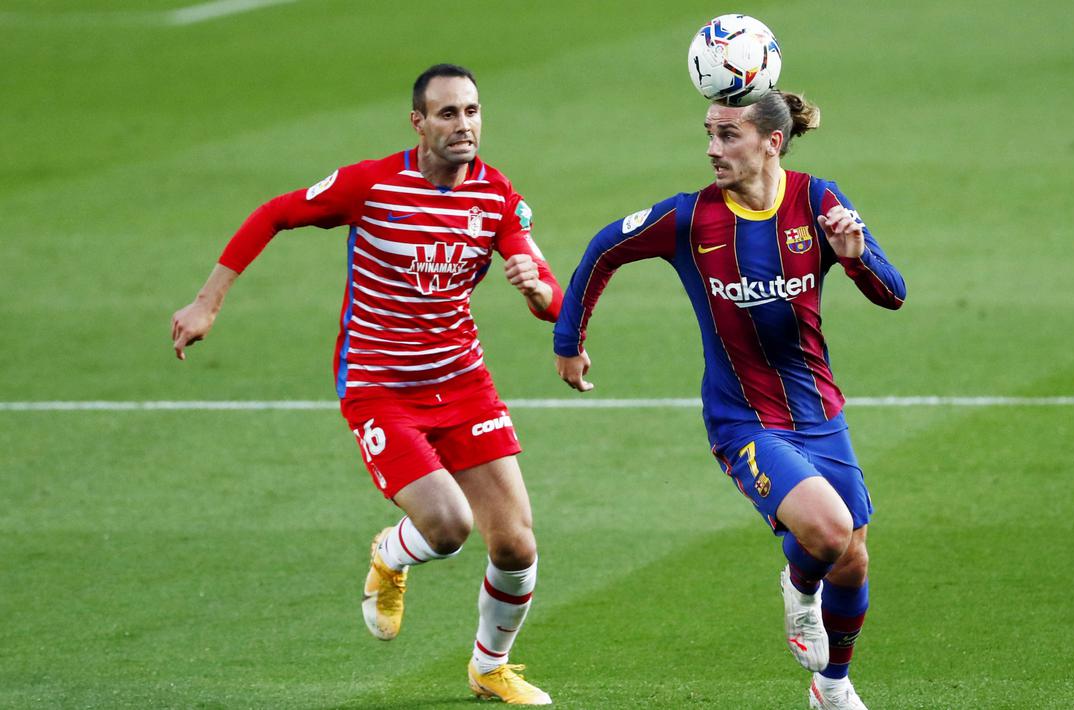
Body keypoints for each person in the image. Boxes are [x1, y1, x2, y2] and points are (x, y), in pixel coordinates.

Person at [171, 64, 557, 706]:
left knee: (516, 544)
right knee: (448, 528)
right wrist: (207, 302)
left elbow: (550, 298)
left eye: (472, 111)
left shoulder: (496, 196)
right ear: (418, 122)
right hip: (380, 387)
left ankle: (491, 667)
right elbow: (274, 214)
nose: (464, 126)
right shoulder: (371, 185)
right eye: (447, 114)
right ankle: (391, 553)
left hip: (463, 384)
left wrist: (538, 289)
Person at [553, 90, 905, 710]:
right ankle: (799, 592)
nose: (713, 149)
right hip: (742, 418)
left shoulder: (819, 201)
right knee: (827, 531)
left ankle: (832, 686)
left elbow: (894, 293)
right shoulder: (690, 219)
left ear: (772, 141)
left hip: (818, 411)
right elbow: (603, 248)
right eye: (709, 134)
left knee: (852, 559)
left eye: (728, 136)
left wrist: (855, 260)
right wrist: (568, 340)